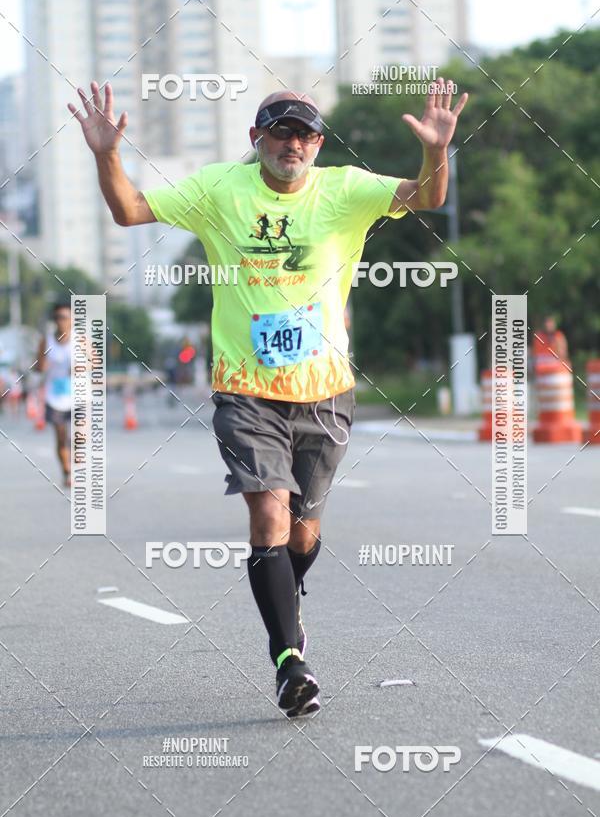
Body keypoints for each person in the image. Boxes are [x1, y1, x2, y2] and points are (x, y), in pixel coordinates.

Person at [69, 78, 468, 717]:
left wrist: (436, 150)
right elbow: (130, 210)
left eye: (307, 134)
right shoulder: (218, 189)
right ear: (256, 138)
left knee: (303, 535)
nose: (296, 144)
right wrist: (105, 155)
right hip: (246, 389)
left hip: (324, 390)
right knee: (269, 521)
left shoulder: (345, 189)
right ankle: (290, 661)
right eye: (282, 132)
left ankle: (287, 604)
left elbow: (429, 195)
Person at [36, 302, 72, 487]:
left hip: (80, 394)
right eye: (57, 318)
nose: (61, 321)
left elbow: (95, 362)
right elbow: (38, 366)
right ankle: (67, 471)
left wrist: (83, 367)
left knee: (80, 435)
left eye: (65, 317)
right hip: (55, 395)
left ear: (72, 319)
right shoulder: (47, 341)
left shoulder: (80, 341)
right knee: (61, 436)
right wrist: (41, 366)